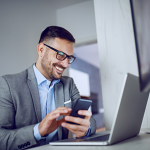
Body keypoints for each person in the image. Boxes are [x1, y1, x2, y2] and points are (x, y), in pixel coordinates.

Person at [0, 26, 96, 150]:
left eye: (69, 58)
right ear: (41, 50)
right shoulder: (8, 84)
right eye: (61, 55)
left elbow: (90, 120)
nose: (66, 64)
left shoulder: (69, 84)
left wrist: (86, 128)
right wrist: (38, 130)